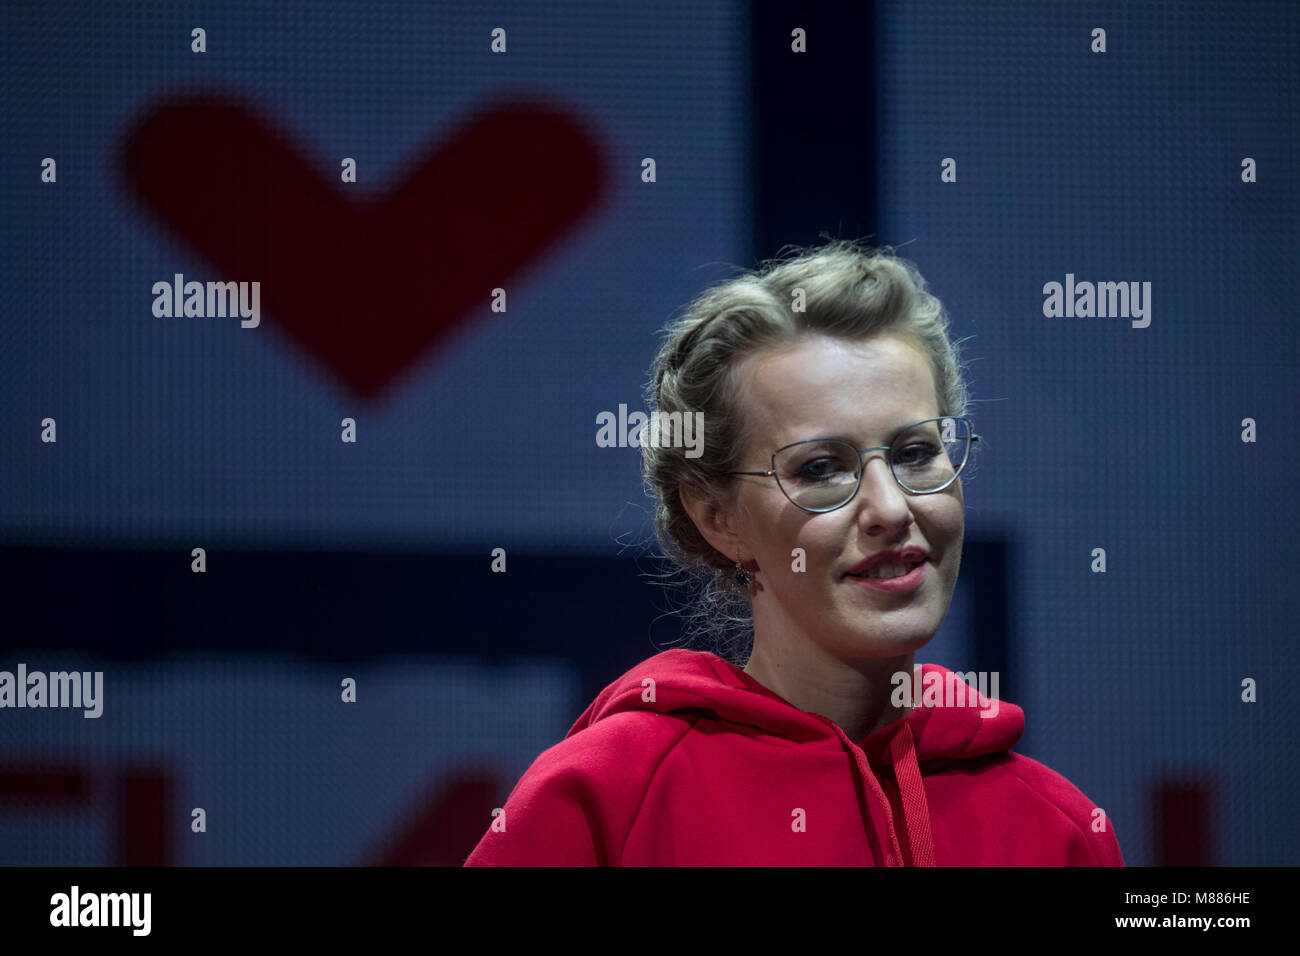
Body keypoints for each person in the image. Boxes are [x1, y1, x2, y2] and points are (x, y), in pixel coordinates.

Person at [464, 240, 1124, 866]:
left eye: (916, 453)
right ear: (717, 517)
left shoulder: (1057, 829)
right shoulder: (608, 796)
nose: (891, 510)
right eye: (819, 469)